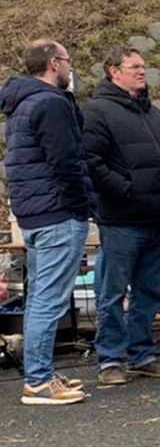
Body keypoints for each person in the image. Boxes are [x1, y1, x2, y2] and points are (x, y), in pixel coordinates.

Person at [82, 48, 160, 386]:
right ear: (114, 72)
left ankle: (142, 355)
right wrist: (124, 189)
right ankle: (110, 359)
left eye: (144, 66)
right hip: (122, 218)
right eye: (134, 67)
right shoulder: (97, 111)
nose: (142, 71)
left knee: (149, 292)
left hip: (157, 216)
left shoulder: (154, 113)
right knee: (112, 293)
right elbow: (91, 161)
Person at [0, 39, 92, 405]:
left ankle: (42, 372)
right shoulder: (52, 102)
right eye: (68, 61)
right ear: (55, 63)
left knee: (41, 295)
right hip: (58, 212)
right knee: (48, 300)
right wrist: (79, 204)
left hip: (35, 212)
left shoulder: (21, 104)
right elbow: (65, 160)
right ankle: (38, 381)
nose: (71, 68)